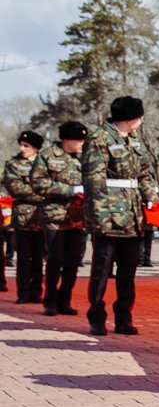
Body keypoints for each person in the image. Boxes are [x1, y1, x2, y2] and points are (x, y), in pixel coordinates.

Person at [82, 96, 159, 336]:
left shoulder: (134, 141)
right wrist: (100, 217)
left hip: (133, 217)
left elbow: (144, 174)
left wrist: (152, 197)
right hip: (108, 216)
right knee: (101, 270)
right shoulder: (99, 138)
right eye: (139, 116)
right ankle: (97, 317)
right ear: (130, 118)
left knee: (128, 271)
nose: (141, 121)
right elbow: (93, 180)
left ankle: (124, 318)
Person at [31, 121, 89, 316]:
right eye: (78, 139)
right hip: (55, 216)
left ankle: (65, 300)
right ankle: (50, 300)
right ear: (66, 139)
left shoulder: (86, 158)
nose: (82, 143)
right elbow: (38, 183)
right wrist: (70, 190)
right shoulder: (47, 156)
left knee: (73, 260)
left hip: (78, 217)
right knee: (55, 259)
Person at [2, 130, 45, 303]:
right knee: (23, 257)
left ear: (35, 148)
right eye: (21, 145)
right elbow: (16, 188)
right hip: (22, 218)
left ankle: (37, 291)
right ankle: (23, 291)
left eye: (26, 146)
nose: (22, 148)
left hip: (42, 218)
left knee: (39, 256)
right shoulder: (13, 164)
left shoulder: (45, 163)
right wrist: (43, 194)